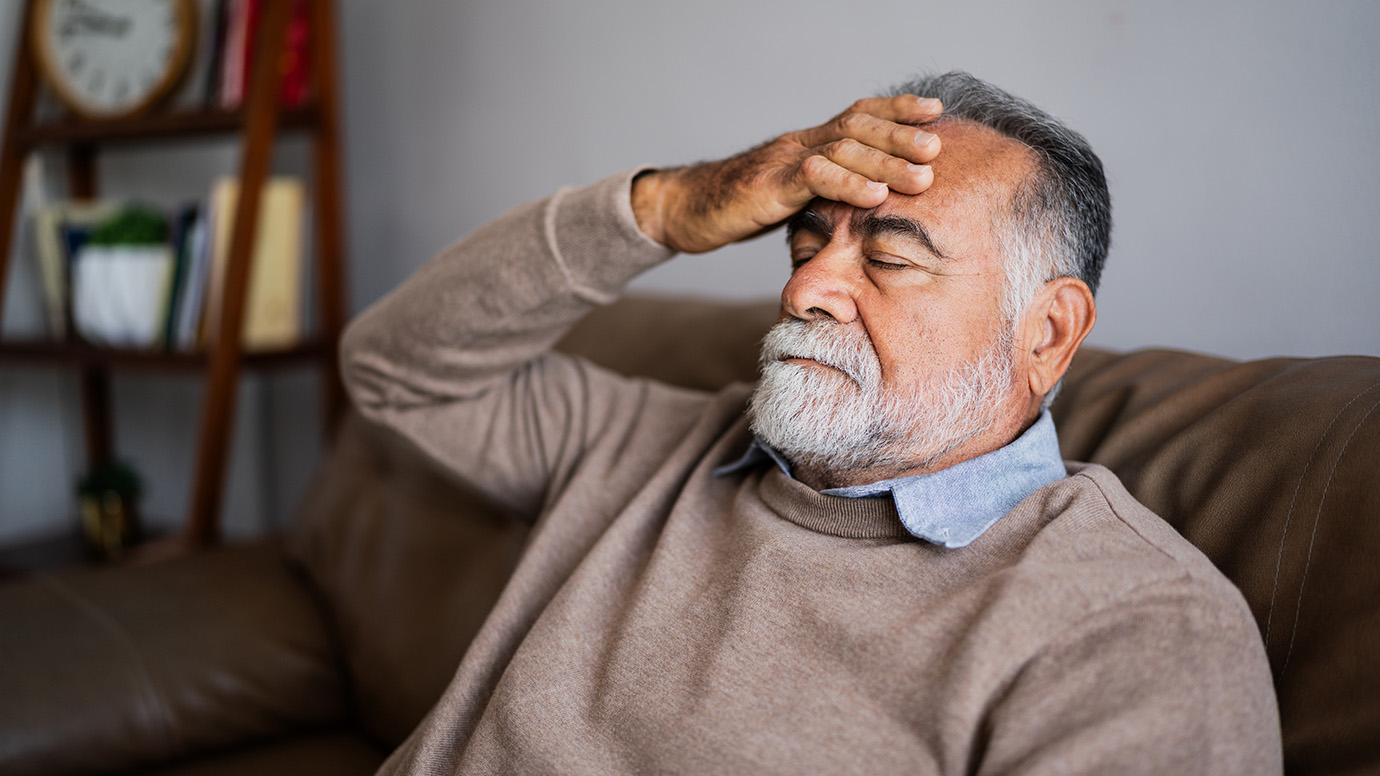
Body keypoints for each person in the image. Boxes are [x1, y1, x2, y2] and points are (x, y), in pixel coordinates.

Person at [343, 72, 1281, 774]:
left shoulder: (1133, 629)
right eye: (804, 245)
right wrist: (666, 208)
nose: (804, 288)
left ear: (1046, 332)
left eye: (891, 258)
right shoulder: (639, 445)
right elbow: (395, 372)